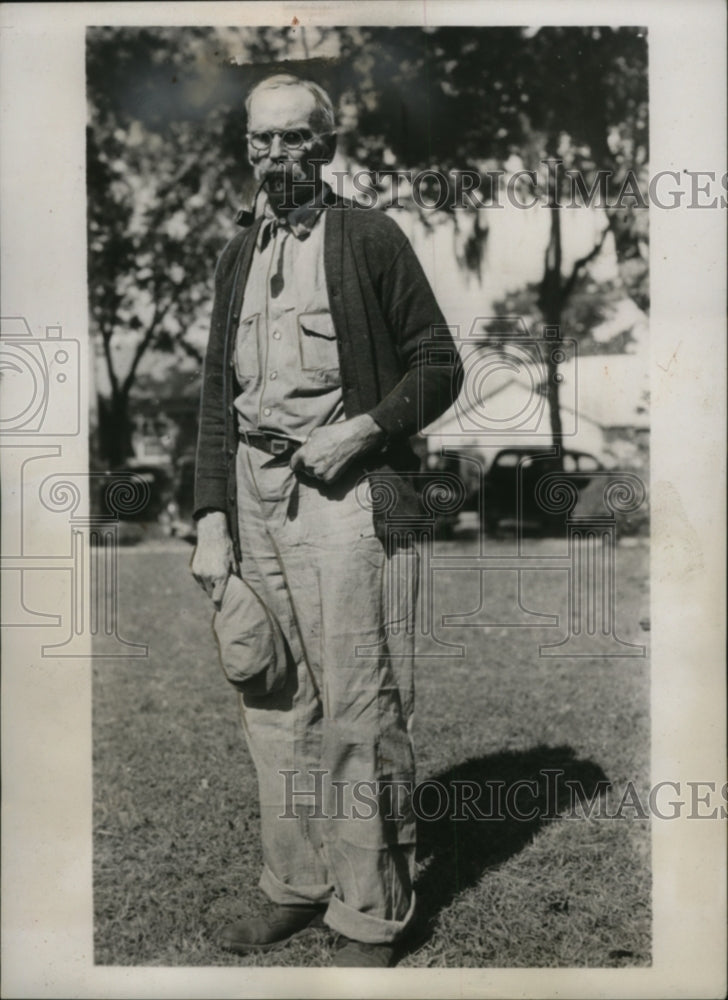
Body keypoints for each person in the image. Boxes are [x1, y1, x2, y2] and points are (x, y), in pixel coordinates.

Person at [191, 73, 462, 968]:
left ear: (327, 145)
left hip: (345, 497)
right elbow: (213, 402)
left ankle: (372, 910)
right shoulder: (236, 255)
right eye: (259, 140)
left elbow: (437, 364)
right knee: (270, 697)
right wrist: (210, 518)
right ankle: (297, 885)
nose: (274, 156)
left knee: (355, 704)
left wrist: (363, 431)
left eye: (293, 139)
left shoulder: (370, 238)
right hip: (251, 494)